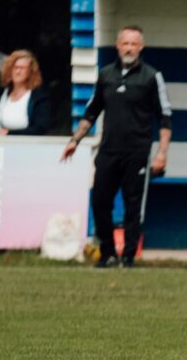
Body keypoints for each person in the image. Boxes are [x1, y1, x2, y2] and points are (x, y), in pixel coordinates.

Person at [60, 26, 172, 268]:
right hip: (109, 150)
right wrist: (74, 141)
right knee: (100, 201)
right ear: (118, 45)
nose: (129, 48)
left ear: (141, 47)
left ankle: (129, 257)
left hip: (137, 151)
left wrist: (162, 153)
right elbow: (91, 112)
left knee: (133, 205)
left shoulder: (152, 76)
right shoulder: (105, 75)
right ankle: (108, 253)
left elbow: (165, 117)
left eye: (134, 44)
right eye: (125, 43)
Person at [0, 50, 52, 136]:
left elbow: (40, 128)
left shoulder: (39, 97)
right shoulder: (1, 92)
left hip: (26, 143)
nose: (17, 72)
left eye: (22, 68)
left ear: (30, 72)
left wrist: (9, 133)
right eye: (15, 67)